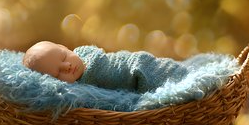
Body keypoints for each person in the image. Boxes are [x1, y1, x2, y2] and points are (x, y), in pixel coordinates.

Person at [22, 40, 189, 92]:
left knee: (152, 66)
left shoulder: (83, 52)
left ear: (66, 48)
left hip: (136, 62)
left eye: (64, 56)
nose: (67, 66)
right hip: (131, 77)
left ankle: (183, 74)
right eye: (58, 73)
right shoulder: (79, 88)